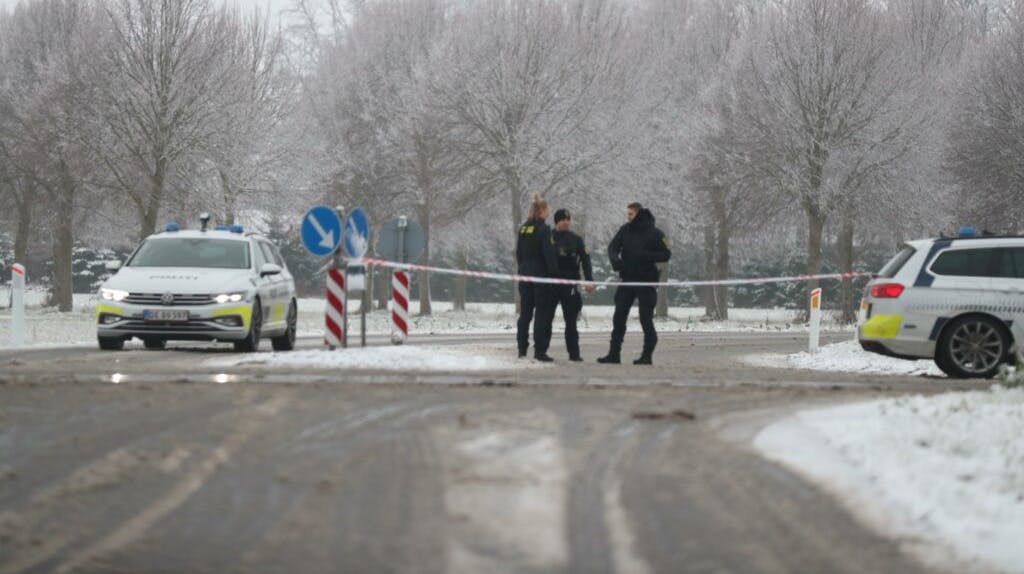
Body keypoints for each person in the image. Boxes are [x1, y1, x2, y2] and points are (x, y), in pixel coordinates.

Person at [598, 202, 672, 365]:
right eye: (628, 214)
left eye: (631, 214)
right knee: (619, 317)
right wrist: (616, 262)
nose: (628, 217)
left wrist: (645, 255)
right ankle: (613, 354)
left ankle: (647, 355)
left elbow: (666, 254)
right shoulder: (625, 230)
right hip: (628, 279)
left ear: (638, 214)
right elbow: (612, 247)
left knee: (646, 318)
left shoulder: (655, 233)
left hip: (646, 281)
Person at [515, 193, 559, 362]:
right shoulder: (544, 229)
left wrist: (523, 268)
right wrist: (554, 274)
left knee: (525, 314)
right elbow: (548, 254)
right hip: (540, 276)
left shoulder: (524, 228)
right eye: (547, 209)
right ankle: (540, 351)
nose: (549, 212)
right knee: (541, 313)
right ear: (542, 210)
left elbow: (518, 252)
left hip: (525, 275)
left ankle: (522, 349)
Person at [551, 209, 594, 361]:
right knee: (545, 319)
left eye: (568, 219)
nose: (566, 222)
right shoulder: (549, 238)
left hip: (570, 285)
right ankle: (540, 352)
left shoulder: (576, 239)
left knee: (571, 320)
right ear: (556, 221)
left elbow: (586, 261)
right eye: (563, 219)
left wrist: (589, 280)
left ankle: (574, 354)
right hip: (551, 285)